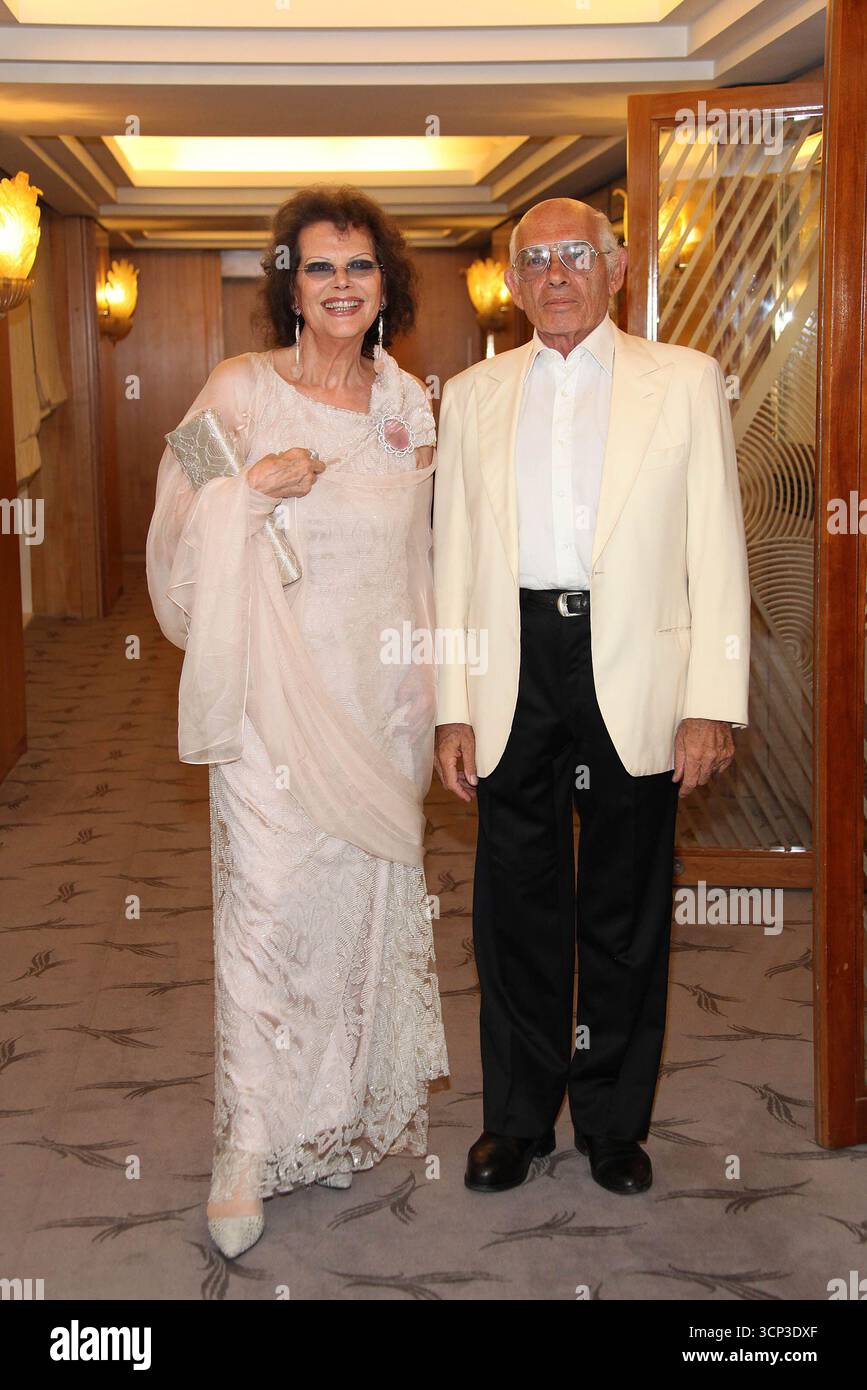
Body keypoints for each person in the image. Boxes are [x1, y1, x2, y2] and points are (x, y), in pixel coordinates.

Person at [146, 185, 448, 1259]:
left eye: (359, 267)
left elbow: (419, 559)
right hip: (271, 703)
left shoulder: (408, 405)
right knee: (268, 917)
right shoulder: (237, 389)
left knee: (354, 922)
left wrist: (431, 686)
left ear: (385, 284)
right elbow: (176, 518)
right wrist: (252, 492)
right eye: (319, 267)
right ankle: (247, 1143)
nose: (340, 286)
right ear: (289, 283)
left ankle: (321, 1118)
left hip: (375, 706)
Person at [432, 197, 750, 1197]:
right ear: (515, 281)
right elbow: (452, 562)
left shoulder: (685, 381)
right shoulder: (474, 392)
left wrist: (711, 698)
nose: (557, 275)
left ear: (615, 270)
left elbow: (717, 550)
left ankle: (614, 1122)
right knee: (514, 906)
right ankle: (518, 1121)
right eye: (536, 260)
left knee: (624, 906)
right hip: (511, 661)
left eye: (577, 255)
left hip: (636, 668)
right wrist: (454, 701)